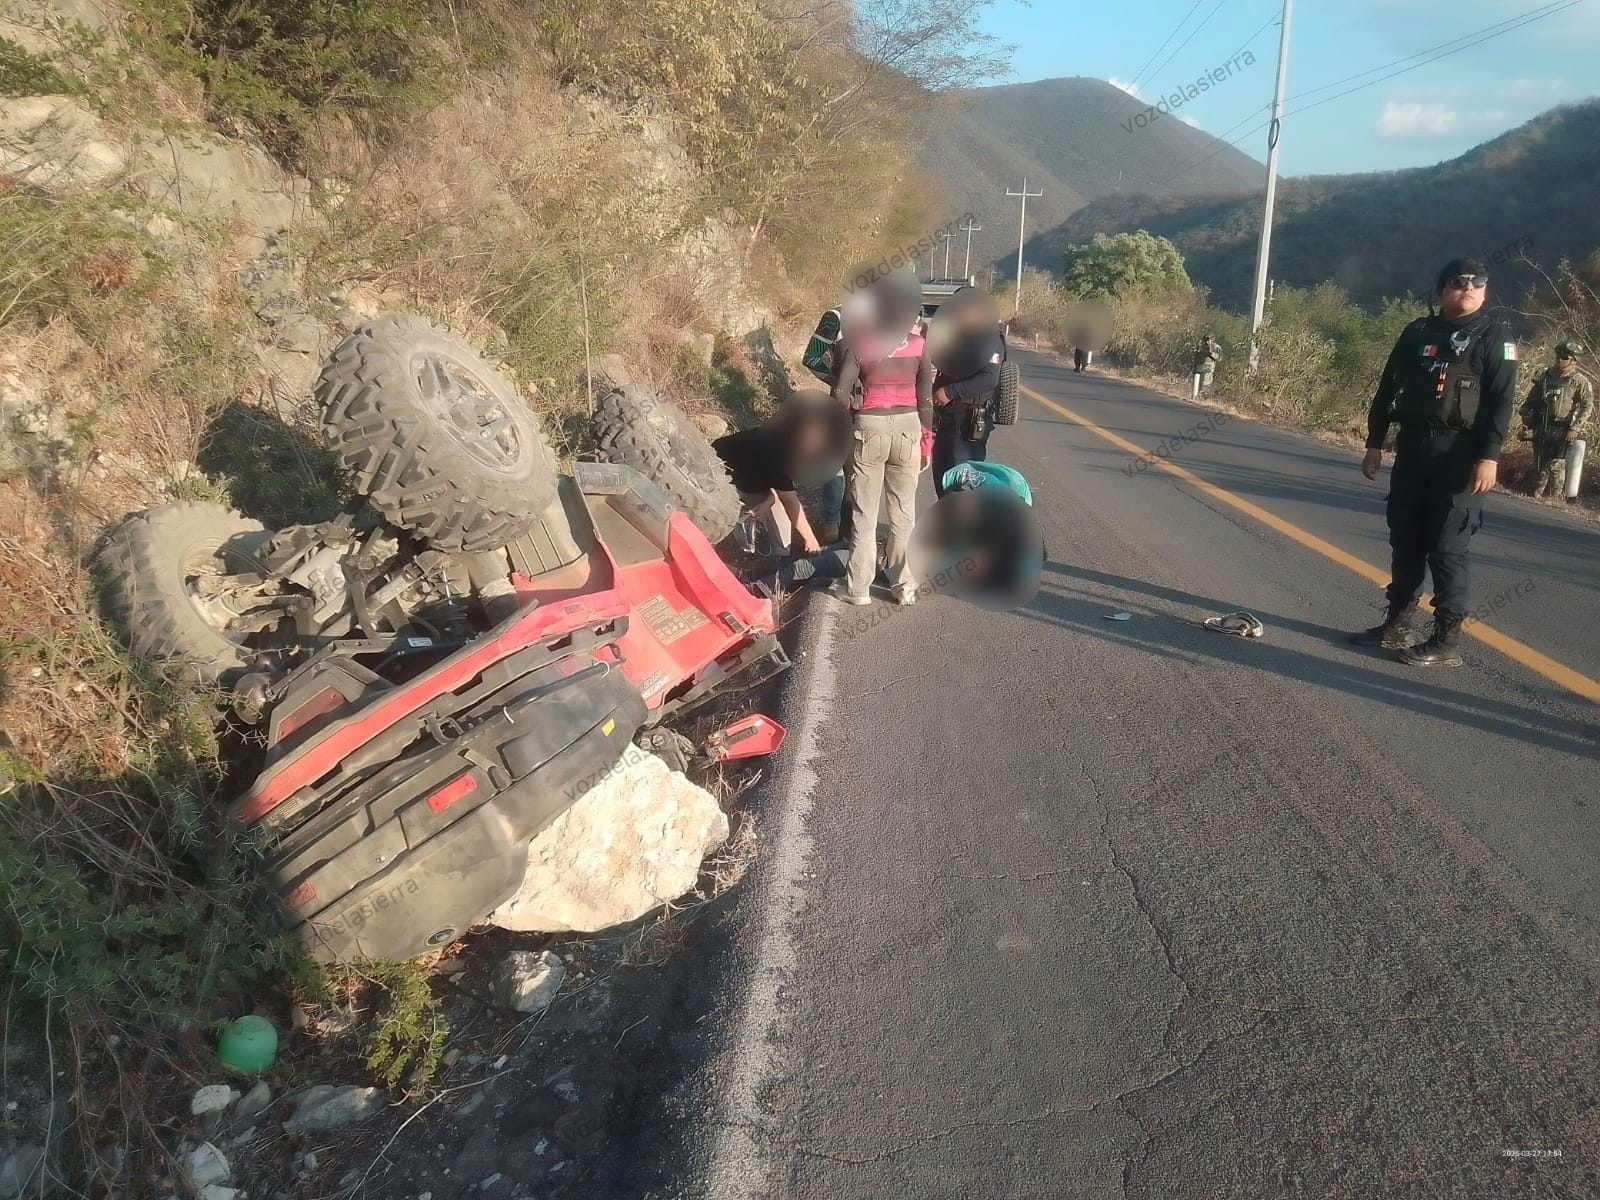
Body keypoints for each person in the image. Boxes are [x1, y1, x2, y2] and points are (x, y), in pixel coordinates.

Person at [1351, 256, 1520, 667]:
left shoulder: (1495, 337)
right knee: (1406, 538)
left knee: (1447, 548)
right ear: (1443, 288)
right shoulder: (1418, 332)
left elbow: (1502, 402)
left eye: (1478, 282)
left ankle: (1446, 641)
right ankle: (1397, 624)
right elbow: (1388, 387)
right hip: (1413, 450)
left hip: (1461, 456)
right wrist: (1374, 442)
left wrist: (1489, 456)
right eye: (1460, 282)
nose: (1469, 288)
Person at [829, 315, 933, 605]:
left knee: (864, 514)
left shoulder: (861, 344)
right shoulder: (919, 345)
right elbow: (926, 401)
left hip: (870, 427)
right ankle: (904, 587)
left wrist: (840, 426)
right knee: (903, 513)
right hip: (908, 427)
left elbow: (841, 391)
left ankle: (858, 590)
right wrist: (927, 444)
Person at [713, 414, 828, 557]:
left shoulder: (790, 444)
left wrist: (770, 500)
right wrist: (810, 539)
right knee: (719, 520)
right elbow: (789, 501)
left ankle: (781, 556)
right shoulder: (778, 449)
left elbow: (778, 485)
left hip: (752, 477)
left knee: (780, 517)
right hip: (720, 476)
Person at [929, 316, 1005, 498]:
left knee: (963, 486)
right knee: (944, 480)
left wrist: (950, 392)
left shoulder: (990, 340)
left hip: (968, 425)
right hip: (946, 421)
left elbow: (989, 378)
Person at [1520, 340, 1592, 501]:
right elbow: (1531, 398)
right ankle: (1536, 494)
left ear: (1575, 360)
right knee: (1540, 461)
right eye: (1558, 355)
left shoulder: (1579, 381)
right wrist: (1525, 414)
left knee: (1556, 463)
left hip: (1562, 427)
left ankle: (1555, 497)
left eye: (1565, 357)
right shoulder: (1545, 377)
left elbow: (1587, 407)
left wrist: (1575, 428)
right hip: (1542, 424)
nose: (1560, 359)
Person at [1191, 334, 1220, 398]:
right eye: (1206, 339)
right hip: (1199, 368)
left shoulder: (1216, 347)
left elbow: (1219, 357)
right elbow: (1195, 357)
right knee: (1196, 385)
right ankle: (1195, 397)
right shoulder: (1200, 346)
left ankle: (1203, 398)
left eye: (1209, 339)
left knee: (1205, 385)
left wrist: (1211, 353)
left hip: (1208, 369)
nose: (1207, 341)